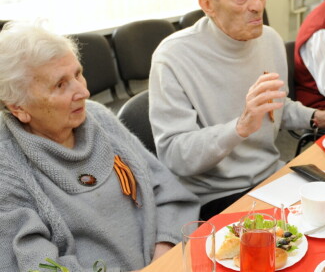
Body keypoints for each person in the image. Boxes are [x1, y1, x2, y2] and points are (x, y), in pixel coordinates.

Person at [149, 0, 325, 220]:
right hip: (217, 194)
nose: (257, 4)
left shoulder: (269, 40)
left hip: (274, 176)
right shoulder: (173, 57)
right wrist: (238, 128)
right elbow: (174, 155)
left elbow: (276, 107)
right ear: (207, 4)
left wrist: (319, 117)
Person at [0, 22, 199, 272]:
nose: (83, 91)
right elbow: (37, 265)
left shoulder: (97, 117)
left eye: (78, 74)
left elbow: (168, 194)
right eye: (60, 85)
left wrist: (164, 255)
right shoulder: (7, 165)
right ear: (19, 107)